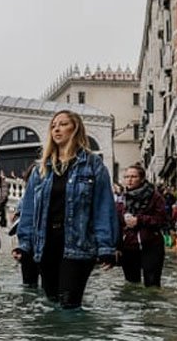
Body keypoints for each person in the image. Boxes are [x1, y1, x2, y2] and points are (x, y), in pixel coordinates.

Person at [13, 110, 119, 309]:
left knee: (69, 303)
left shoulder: (93, 165)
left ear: (75, 128)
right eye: (53, 126)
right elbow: (28, 209)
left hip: (78, 245)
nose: (56, 129)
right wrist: (24, 244)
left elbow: (103, 207)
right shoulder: (41, 168)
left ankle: (75, 339)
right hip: (46, 245)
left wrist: (106, 247)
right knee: (52, 302)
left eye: (62, 124)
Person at [116, 164, 167, 287]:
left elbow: (162, 220)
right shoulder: (121, 199)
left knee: (152, 284)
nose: (129, 180)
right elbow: (116, 223)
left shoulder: (155, 197)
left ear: (142, 178)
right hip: (128, 246)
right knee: (131, 284)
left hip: (151, 244)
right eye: (126, 176)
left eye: (133, 176)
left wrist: (139, 220)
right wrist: (116, 246)